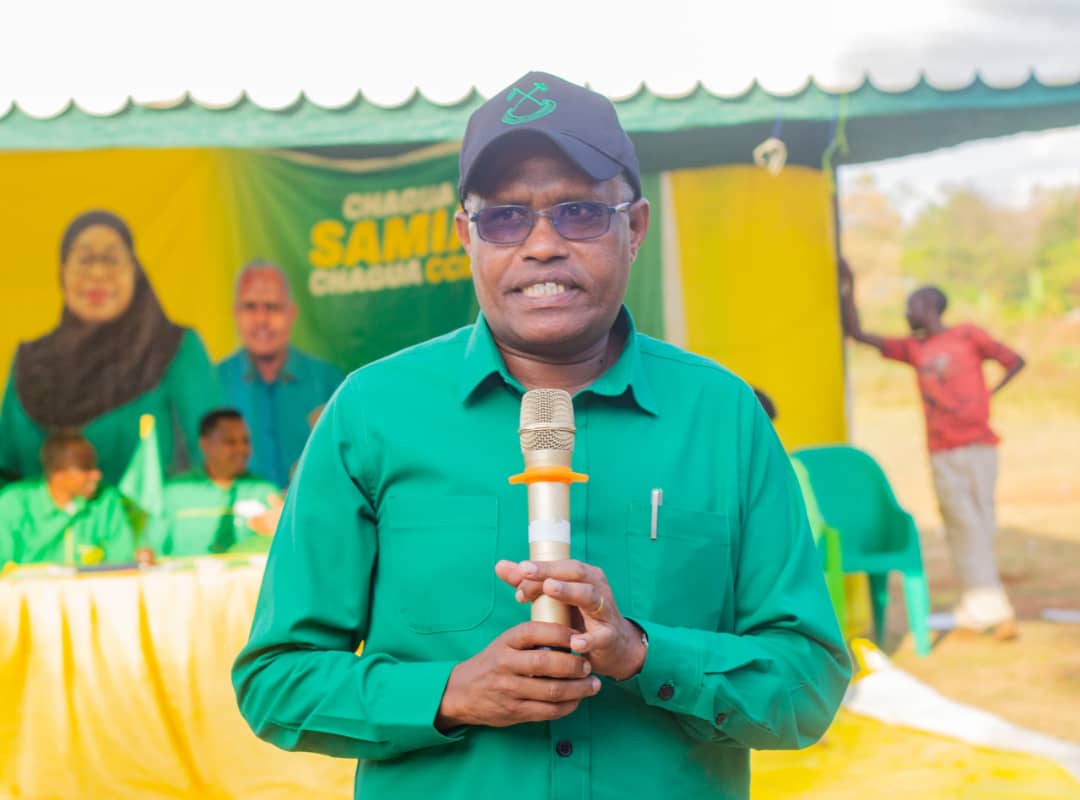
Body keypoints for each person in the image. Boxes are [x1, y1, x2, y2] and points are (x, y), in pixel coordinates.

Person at [233, 71, 850, 800]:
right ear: (466, 237)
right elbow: (276, 680)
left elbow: (808, 683)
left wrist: (642, 654)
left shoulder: (722, 415)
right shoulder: (372, 412)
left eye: (580, 212)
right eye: (505, 218)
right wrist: (451, 693)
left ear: (635, 228)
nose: (543, 245)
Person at [839, 258, 1025, 640]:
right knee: (963, 525)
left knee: (979, 525)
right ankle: (989, 608)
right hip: (943, 452)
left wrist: (989, 394)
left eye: (911, 306)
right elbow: (856, 333)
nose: (907, 313)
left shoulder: (968, 336)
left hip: (980, 446)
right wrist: (848, 284)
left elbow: (1015, 362)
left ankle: (980, 607)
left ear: (928, 305)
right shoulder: (912, 348)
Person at [0, 210, 222, 485]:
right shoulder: (30, 362)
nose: (98, 273)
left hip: (150, 513)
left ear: (135, 271)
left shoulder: (175, 348)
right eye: (84, 259)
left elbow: (214, 459)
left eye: (112, 259)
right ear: (63, 272)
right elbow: (5, 470)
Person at [217, 261, 345, 488]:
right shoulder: (213, 382)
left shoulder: (327, 381)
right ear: (235, 313)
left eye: (272, 307)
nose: (261, 320)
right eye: (250, 307)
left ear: (291, 313)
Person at [148, 409, 282, 558]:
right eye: (230, 442)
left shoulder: (265, 492)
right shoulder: (174, 492)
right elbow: (151, 551)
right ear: (205, 444)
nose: (241, 449)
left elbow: (281, 549)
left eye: (245, 441)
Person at [0, 428, 134, 566]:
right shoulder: (14, 504)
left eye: (95, 467)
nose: (96, 475)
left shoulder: (106, 501)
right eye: (85, 468)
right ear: (57, 474)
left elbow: (123, 560)